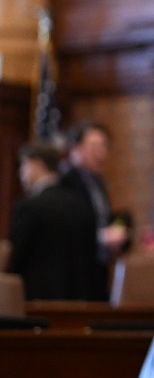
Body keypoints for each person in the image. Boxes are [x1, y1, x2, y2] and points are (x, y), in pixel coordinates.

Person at [9, 142, 96, 300]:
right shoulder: (81, 203)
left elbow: (17, 255)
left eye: (24, 166)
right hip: (78, 297)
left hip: (36, 296)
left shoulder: (30, 206)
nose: (20, 173)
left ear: (37, 165)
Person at [58, 121, 127, 300]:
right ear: (76, 148)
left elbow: (100, 217)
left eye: (104, 146)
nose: (101, 153)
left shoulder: (98, 181)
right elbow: (65, 227)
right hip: (74, 270)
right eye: (94, 146)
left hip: (98, 266)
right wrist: (99, 236)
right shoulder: (63, 183)